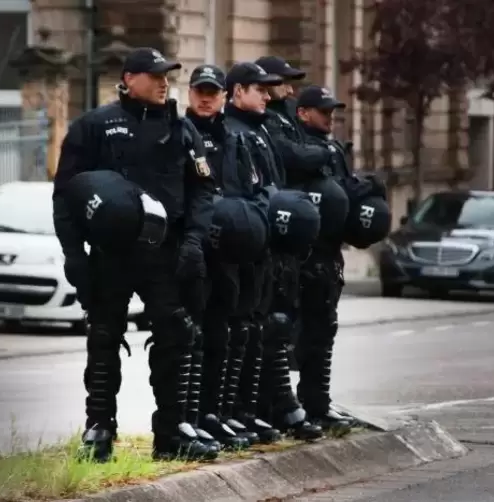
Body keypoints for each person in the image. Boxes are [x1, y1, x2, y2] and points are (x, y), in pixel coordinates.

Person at [53, 47, 219, 462]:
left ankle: (171, 431)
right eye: (155, 75)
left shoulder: (182, 131)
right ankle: (99, 428)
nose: (164, 82)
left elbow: (202, 193)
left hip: (166, 254)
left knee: (176, 335)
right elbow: (67, 197)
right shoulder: (94, 127)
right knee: (105, 335)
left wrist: (195, 242)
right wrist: (74, 256)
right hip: (112, 254)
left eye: (167, 75)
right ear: (128, 78)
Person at [222, 61, 320, 442]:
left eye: (268, 89)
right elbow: (243, 192)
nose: (267, 95)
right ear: (238, 92)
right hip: (246, 242)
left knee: (270, 326)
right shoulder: (233, 133)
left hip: (269, 245)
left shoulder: (259, 129)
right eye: (258, 89)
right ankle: (241, 411)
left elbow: (273, 184)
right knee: (240, 330)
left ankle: (269, 407)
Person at [184, 64, 268, 449]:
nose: (205, 98)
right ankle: (187, 419)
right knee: (191, 335)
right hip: (195, 249)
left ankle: (215, 414)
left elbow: (254, 188)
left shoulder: (234, 138)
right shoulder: (179, 133)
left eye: (212, 92)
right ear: (189, 93)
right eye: (200, 91)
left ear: (223, 96)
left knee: (225, 332)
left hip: (230, 251)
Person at [293, 85, 358, 432]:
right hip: (298, 255)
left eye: (332, 109)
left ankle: (318, 403)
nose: (330, 115)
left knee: (322, 333)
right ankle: (284, 408)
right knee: (280, 334)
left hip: (329, 255)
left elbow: (343, 192)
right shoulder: (294, 146)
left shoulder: (333, 149)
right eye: (323, 110)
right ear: (303, 112)